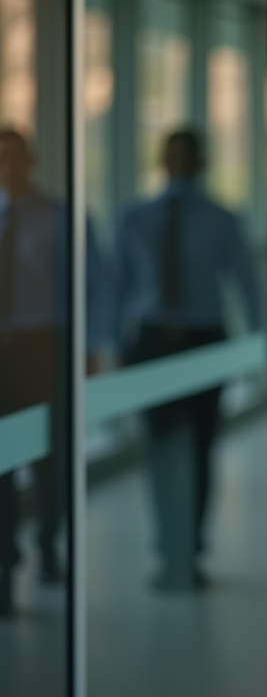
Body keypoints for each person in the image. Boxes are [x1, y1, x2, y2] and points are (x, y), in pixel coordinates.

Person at [112, 129, 261, 591]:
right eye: (172, 155)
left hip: (204, 341)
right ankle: (167, 550)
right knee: (159, 448)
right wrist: (114, 346)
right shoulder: (134, 217)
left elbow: (247, 282)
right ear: (162, 161)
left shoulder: (222, 218)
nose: (179, 163)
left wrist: (259, 346)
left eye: (186, 155)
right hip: (152, 341)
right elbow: (119, 286)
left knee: (199, 447)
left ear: (201, 163)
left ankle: (191, 549)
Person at [0, 129, 106, 617]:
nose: (7, 166)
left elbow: (92, 286)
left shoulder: (62, 218)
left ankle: (48, 543)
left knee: (49, 458)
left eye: (13, 157)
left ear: (32, 160)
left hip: (44, 347)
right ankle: (5, 561)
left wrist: (90, 348)